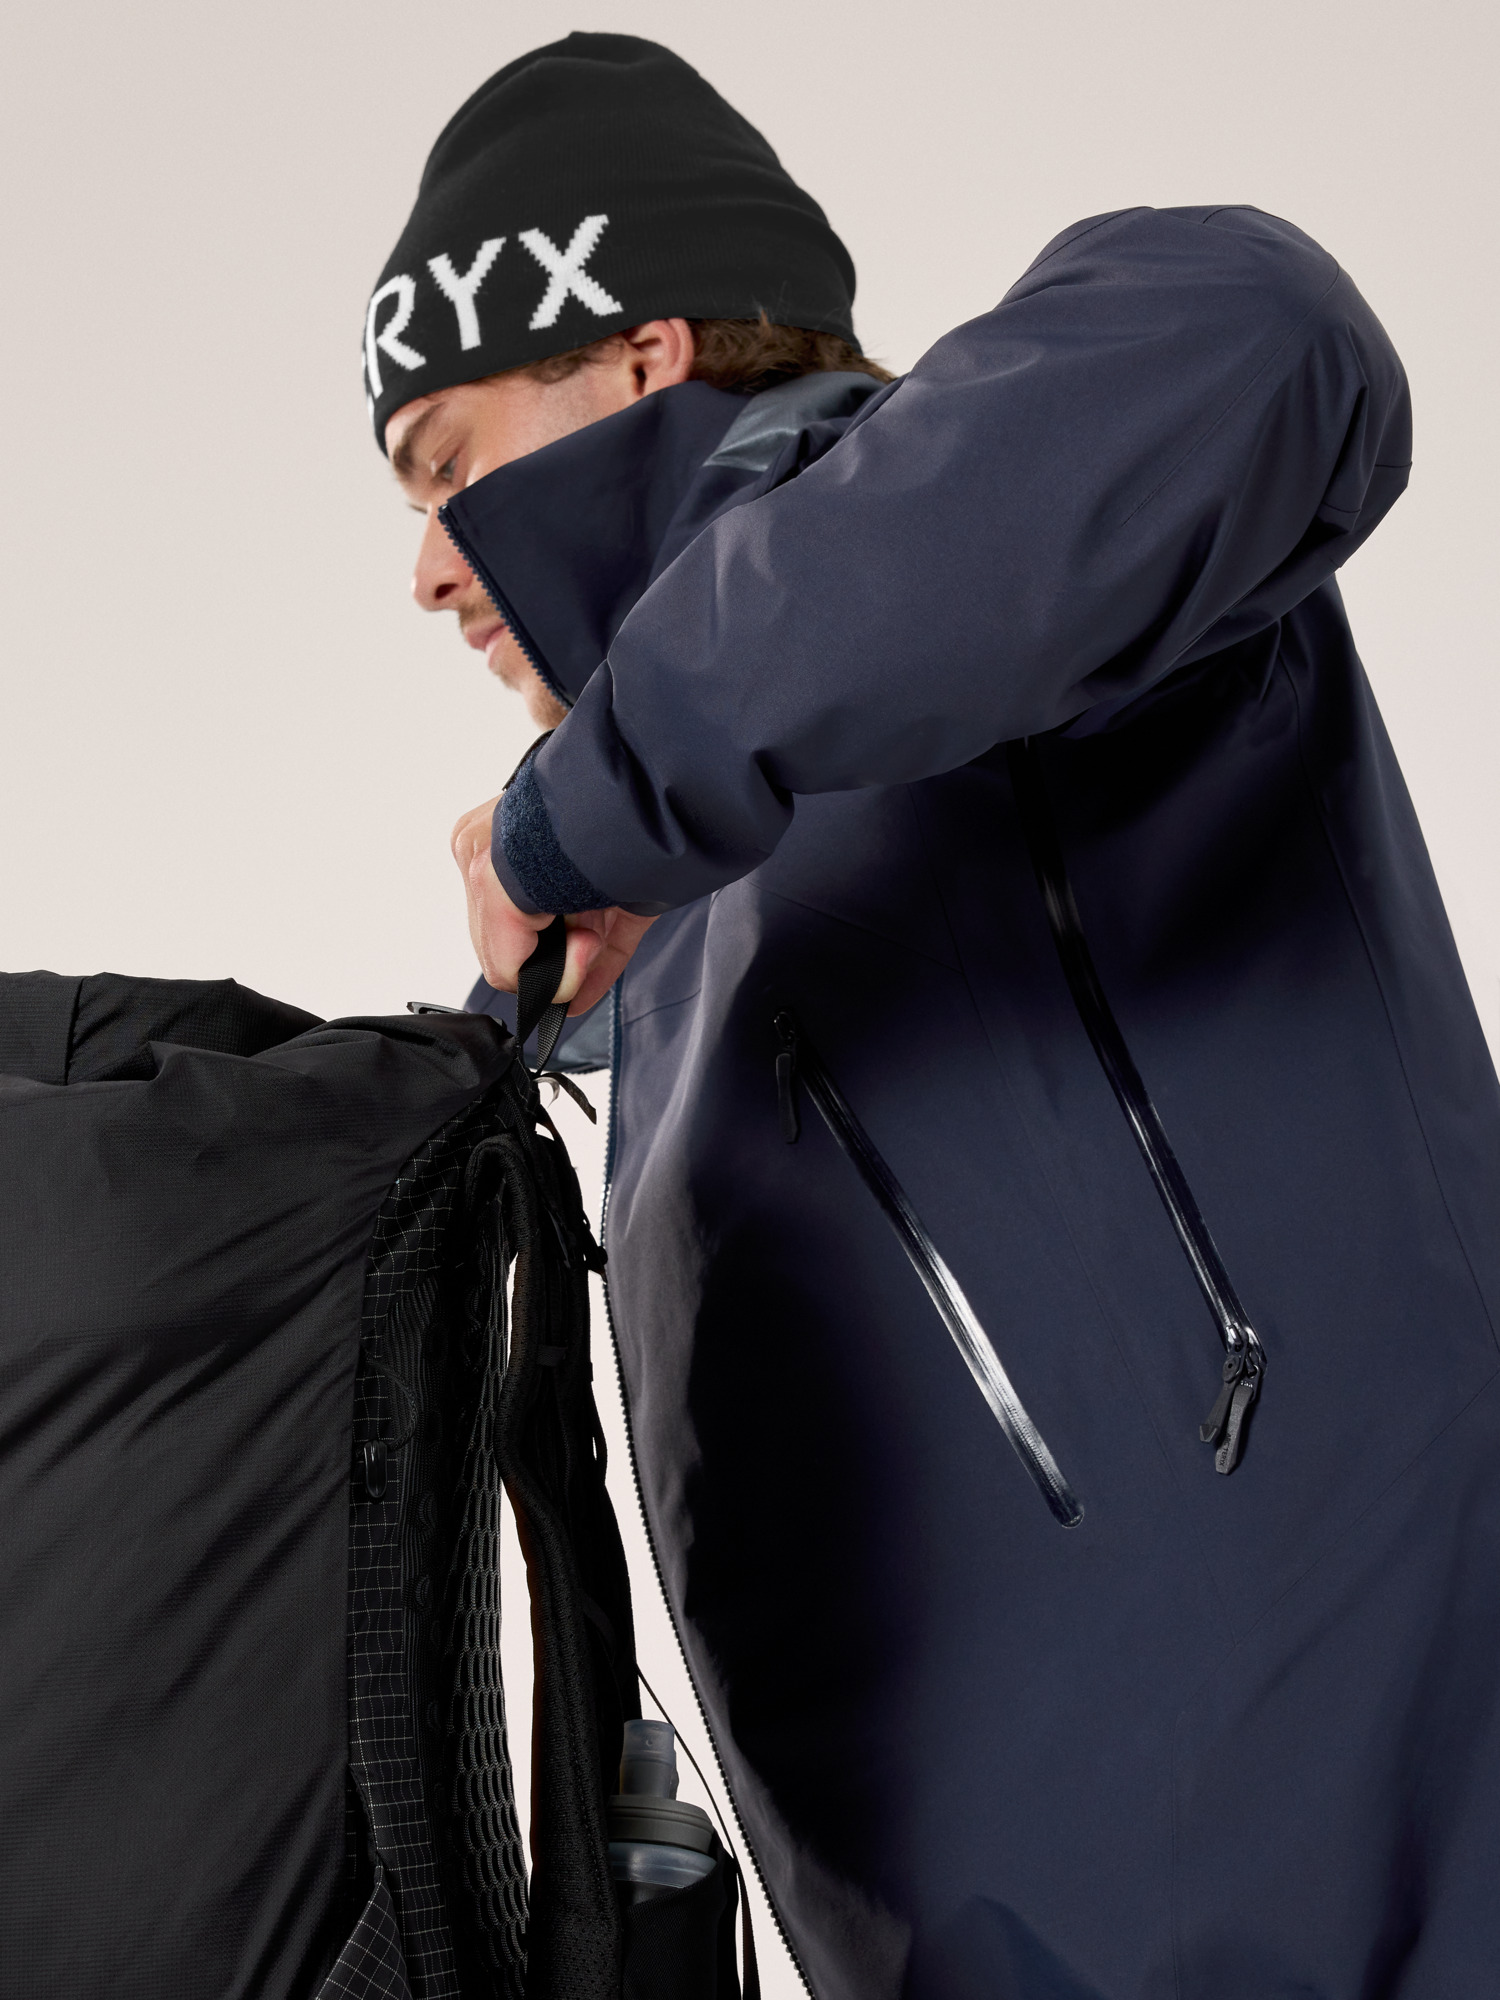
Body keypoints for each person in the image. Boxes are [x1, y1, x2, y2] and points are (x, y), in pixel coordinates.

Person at [366, 33, 1500, 2000]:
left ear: (640, 354)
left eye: (451, 460)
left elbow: (1275, 332)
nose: (426, 568)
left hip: (1379, 1898)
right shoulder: (669, 940)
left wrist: (585, 812)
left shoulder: (993, 528)